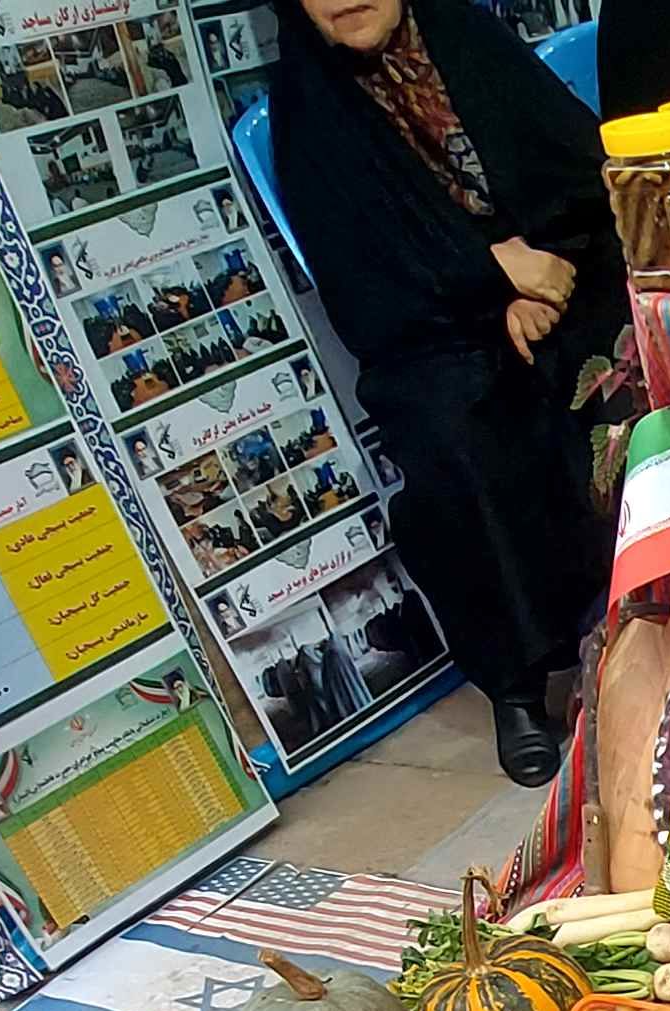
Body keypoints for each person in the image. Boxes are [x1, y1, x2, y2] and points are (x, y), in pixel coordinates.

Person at [262, 0, 640, 784]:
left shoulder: (468, 42)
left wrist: (542, 280)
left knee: (623, 361)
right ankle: (518, 684)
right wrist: (490, 277)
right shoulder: (312, 108)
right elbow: (366, 283)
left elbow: (577, 176)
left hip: (560, 278)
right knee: (454, 432)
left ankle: (652, 616)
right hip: (429, 329)